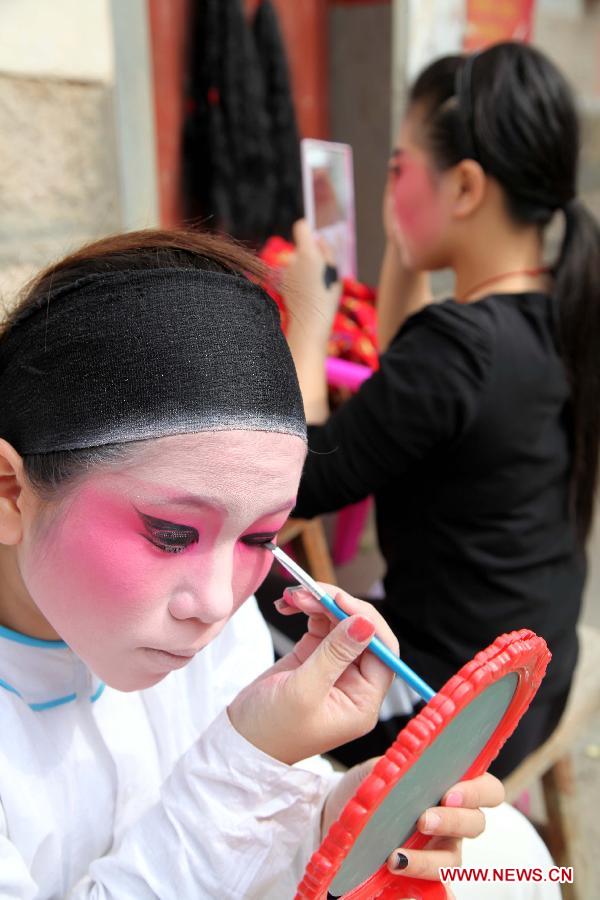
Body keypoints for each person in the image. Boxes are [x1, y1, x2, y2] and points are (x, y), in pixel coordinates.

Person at [0, 227, 556, 900]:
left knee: (507, 860)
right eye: (172, 533)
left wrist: (333, 819)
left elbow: (224, 855)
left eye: (260, 539)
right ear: (10, 490)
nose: (212, 601)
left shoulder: (221, 628)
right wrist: (249, 760)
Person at [283, 41, 600, 778]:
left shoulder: (460, 348)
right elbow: (415, 378)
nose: (391, 188)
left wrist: (306, 310)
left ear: (463, 187)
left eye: (398, 170)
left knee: (236, 659)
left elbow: (292, 478)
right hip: (530, 678)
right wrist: (406, 253)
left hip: (449, 715)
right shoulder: (556, 314)